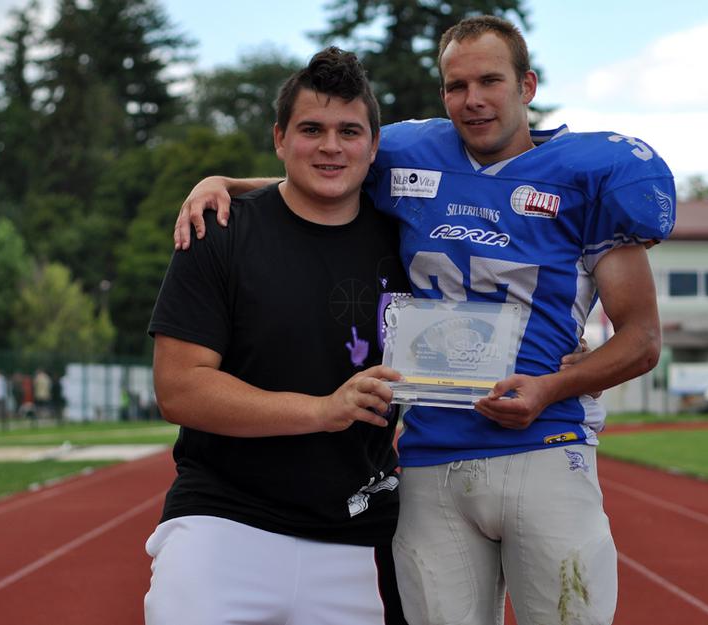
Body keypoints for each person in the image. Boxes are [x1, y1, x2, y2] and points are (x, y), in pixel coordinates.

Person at [173, 16, 675, 625]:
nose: (473, 99)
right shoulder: (412, 154)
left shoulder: (589, 176)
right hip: (430, 453)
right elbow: (325, 172)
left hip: (544, 444)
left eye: (490, 81)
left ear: (527, 86)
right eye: (457, 85)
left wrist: (552, 387)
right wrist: (225, 182)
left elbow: (642, 339)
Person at [144, 47, 410, 625]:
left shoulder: (408, 239)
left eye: (349, 131)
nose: (331, 146)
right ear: (279, 138)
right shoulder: (218, 231)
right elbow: (179, 389)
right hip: (224, 520)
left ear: (373, 146)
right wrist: (322, 410)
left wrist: (561, 351)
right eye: (311, 129)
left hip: (358, 528)